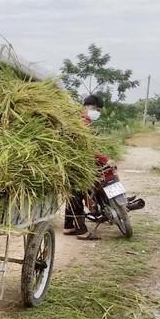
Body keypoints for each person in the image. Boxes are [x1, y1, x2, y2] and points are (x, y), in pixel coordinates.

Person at [64, 94, 109, 240]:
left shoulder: (80, 120)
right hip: (74, 163)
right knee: (76, 194)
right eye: (98, 110)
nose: (99, 113)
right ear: (90, 107)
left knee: (72, 195)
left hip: (70, 161)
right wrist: (105, 159)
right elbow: (86, 148)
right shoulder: (82, 122)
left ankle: (68, 226)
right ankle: (81, 230)